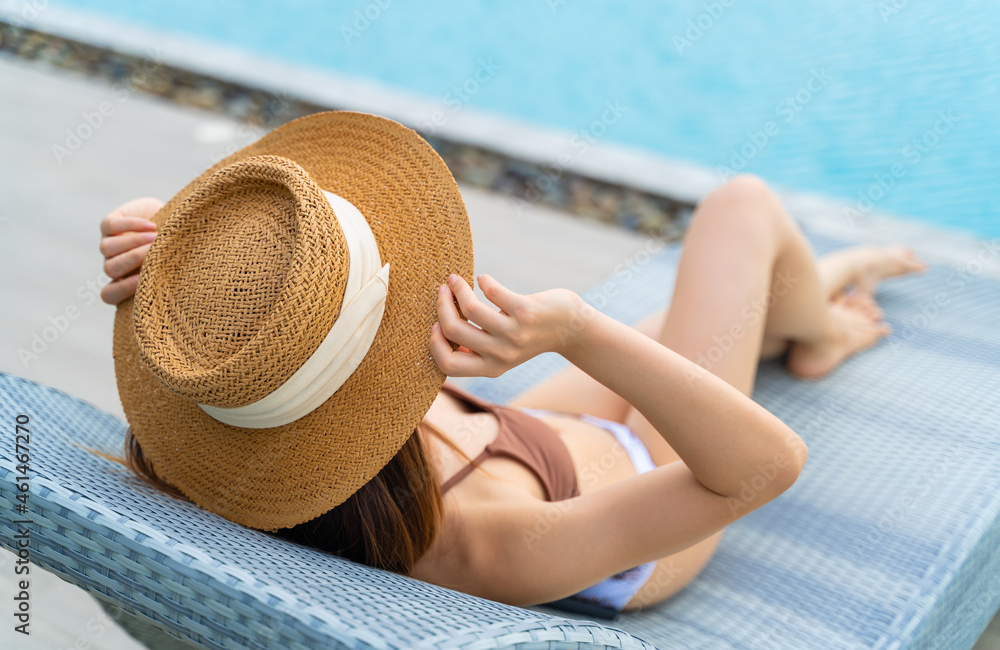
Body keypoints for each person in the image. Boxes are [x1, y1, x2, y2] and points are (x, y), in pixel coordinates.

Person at [95, 111, 926, 616]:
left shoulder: (258, 441)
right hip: (661, 479)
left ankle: (813, 302)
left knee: (714, 300)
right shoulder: (488, 547)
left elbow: (241, 305)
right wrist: (579, 331)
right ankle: (822, 323)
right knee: (742, 213)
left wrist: (159, 236)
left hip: (525, 439)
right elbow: (762, 467)